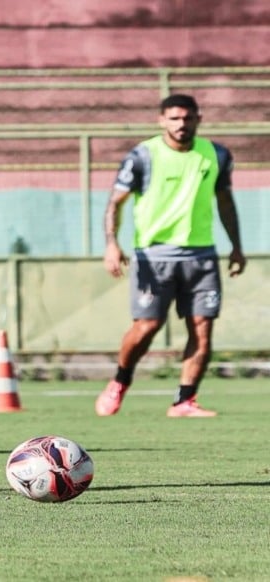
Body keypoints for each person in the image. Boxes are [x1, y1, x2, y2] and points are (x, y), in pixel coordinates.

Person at [95, 94, 245, 418]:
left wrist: (237, 246)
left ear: (198, 120)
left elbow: (225, 202)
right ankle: (120, 380)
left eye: (187, 118)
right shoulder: (142, 156)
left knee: (202, 328)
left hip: (202, 256)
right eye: (174, 118)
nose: (181, 124)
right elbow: (115, 202)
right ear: (161, 120)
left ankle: (184, 401)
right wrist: (111, 244)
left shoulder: (216, 155)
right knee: (147, 326)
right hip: (154, 255)